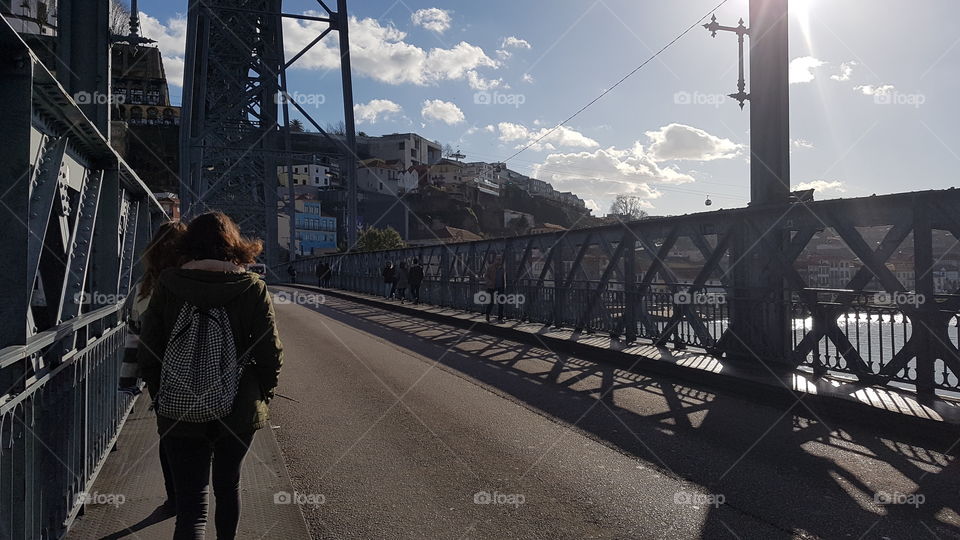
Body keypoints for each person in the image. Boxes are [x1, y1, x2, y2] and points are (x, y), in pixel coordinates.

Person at [139, 211, 283, 540]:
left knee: (191, 507)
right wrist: (262, 393)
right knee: (228, 487)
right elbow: (270, 353)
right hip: (238, 408)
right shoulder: (252, 288)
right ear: (235, 245)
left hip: (179, 407)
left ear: (189, 244)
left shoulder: (169, 283)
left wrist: (162, 392)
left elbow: (149, 347)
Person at [121, 220, 186, 515]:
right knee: (198, 436)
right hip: (193, 369)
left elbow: (134, 334)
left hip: (160, 374)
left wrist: (128, 377)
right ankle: (193, 494)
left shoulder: (143, 287)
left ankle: (175, 497)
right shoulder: (191, 280)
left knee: (168, 435)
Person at [483, 255, 506, 323]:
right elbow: (486, 276)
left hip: (500, 287)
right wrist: (489, 282)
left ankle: (500, 318)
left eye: (500, 259)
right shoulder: (490, 267)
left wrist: (505, 285)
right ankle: (487, 314)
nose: (499, 261)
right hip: (492, 287)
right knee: (491, 302)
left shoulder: (502, 268)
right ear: (495, 260)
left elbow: (503, 277)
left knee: (501, 303)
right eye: (498, 259)